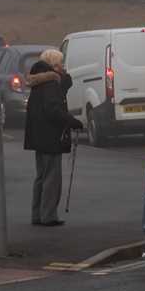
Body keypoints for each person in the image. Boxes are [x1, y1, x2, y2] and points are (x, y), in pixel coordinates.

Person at [23, 48, 84, 226]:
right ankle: (48, 215)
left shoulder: (39, 82)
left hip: (38, 136)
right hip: (50, 136)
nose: (63, 67)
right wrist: (73, 121)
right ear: (54, 65)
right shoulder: (50, 84)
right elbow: (53, 110)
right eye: (61, 64)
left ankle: (37, 214)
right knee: (52, 177)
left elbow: (65, 85)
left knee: (41, 176)